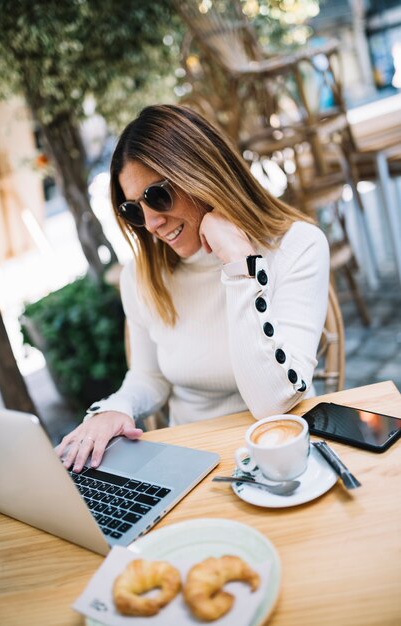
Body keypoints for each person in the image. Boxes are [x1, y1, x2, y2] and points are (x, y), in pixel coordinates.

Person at [56, 104, 330, 473]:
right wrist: (115, 408)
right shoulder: (140, 276)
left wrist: (238, 263)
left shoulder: (298, 247)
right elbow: (149, 375)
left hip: (285, 456)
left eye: (157, 196)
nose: (151, 223)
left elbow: (273, 404)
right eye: (134, 209)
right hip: (192, 464)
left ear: (202, 174)